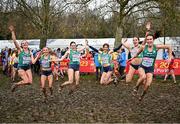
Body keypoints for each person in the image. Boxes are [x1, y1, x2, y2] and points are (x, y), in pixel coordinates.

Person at [130, 32, 172, 101]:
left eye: (150, 39)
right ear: (146, 40)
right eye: (148, 39)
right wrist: (132, 58)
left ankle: (142, 95)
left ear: (153, 40)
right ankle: (136, 88)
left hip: (150, 68)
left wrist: (169, 57)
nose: (149, 41)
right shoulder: (143, 47)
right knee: (143, 77)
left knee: (148, 85)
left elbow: (169, 47)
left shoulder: (156, 47)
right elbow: (137, 53)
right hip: (142, 66)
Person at [9, 26, 40, 92]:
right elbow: (14, 41)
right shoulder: (20, 50)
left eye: (26, 43)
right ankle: (15, 84)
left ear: (27, 44)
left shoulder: (30, 52)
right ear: (22, 45)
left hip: (28, 68)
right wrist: (12, 31)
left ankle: (17, 84)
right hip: (21, 68)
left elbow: (33, 62)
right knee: (26, 81)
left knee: (30, 82)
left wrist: (38, 56)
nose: (25, 44)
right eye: (23, 43)